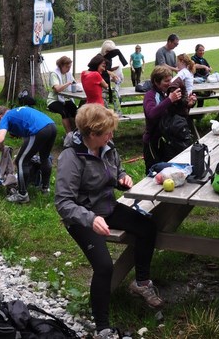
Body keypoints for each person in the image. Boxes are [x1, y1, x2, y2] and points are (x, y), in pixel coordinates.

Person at [55, 104, 163, 337]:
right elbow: (63, 203)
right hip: (81, 218)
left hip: (107, 207)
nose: (111, 136)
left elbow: (116, 171)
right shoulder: (70, 158)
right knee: (104, 266)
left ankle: (142, 283)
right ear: (92, 134)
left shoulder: (106, 146)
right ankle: (102, 326)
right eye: (107, 133)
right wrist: (90, 218)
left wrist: (122, 178)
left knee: (147, 226)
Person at [0, 105, 58, 202]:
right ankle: (45, 189)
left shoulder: (6, 117)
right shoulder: (18, 112)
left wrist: (1, 147)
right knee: (44, 157)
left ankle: (22, 194)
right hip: (52, 126)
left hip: (39, 130)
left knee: (21, 161)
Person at [142, 66, 196, 172]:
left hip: (167, 140)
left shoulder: (165, 93)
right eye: (166, 81)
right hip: (152, 141)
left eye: (170, 80)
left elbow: (174, 116)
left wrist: (188, 104)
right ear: (156, 82)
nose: (169, 83)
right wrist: (169, 99)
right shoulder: (150, 95)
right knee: (153, 172)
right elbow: (151, 114)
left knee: (167, 171)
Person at [47, 55, 78, 133]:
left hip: (66, 99)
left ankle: (77, 132)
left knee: (76, 111)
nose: (69, 69)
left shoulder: (68, 73)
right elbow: (57, 89)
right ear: (61, 66)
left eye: (70, 67)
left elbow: (74, 83)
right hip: (54, 100)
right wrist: (67, 84)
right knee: (64, 112)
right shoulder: (54, 74)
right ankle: (69, 135)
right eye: (67, 67)